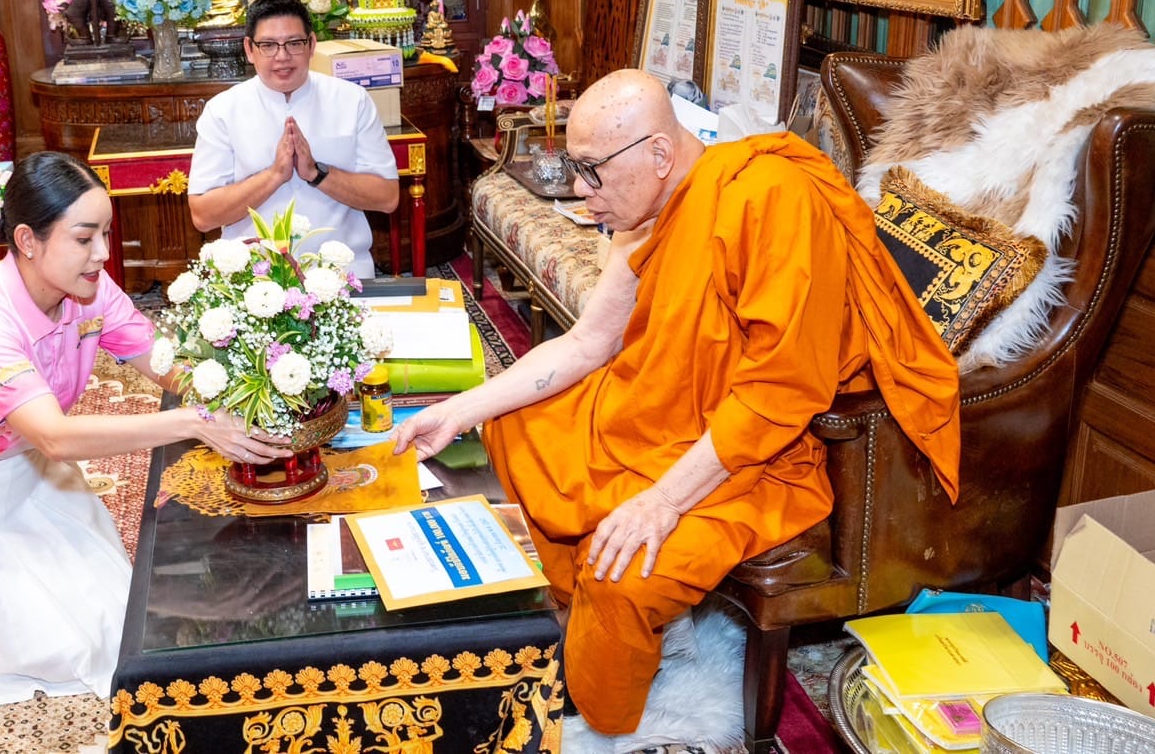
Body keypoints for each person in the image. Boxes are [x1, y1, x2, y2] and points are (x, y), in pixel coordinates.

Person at [393, 69, 960, 741]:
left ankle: (609, 725)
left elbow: (778, 390)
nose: (580, 191)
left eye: (591, 172)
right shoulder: (648, 206)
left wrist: (660, 501)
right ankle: (571, 621)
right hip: (661, 415)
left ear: (658, 155)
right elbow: (588, 342)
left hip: (755, 450)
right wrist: (464, 408)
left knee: (622, 574)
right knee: (515, 429)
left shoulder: (769, 199)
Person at [0, 151, 289, 715]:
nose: (102, 254)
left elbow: (164, 362)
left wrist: (244, 395)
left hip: (35, 481)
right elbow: (54, 436)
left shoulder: (90, 290)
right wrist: (194, 424)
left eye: (106, 234)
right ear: (27, 239)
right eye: (84, 237)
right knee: (81, 645)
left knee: (122, 619)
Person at [188, 0, 399, 277]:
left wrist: (317, 173)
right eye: (269, 45)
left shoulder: (352, 101)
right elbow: (202, 215)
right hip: (252, 280)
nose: (282, 57)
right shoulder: (223, 110)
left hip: (340, 273)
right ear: (249, 49)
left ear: (312, 44)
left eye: (294, 43)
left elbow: (387, 197)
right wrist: (274, 175)